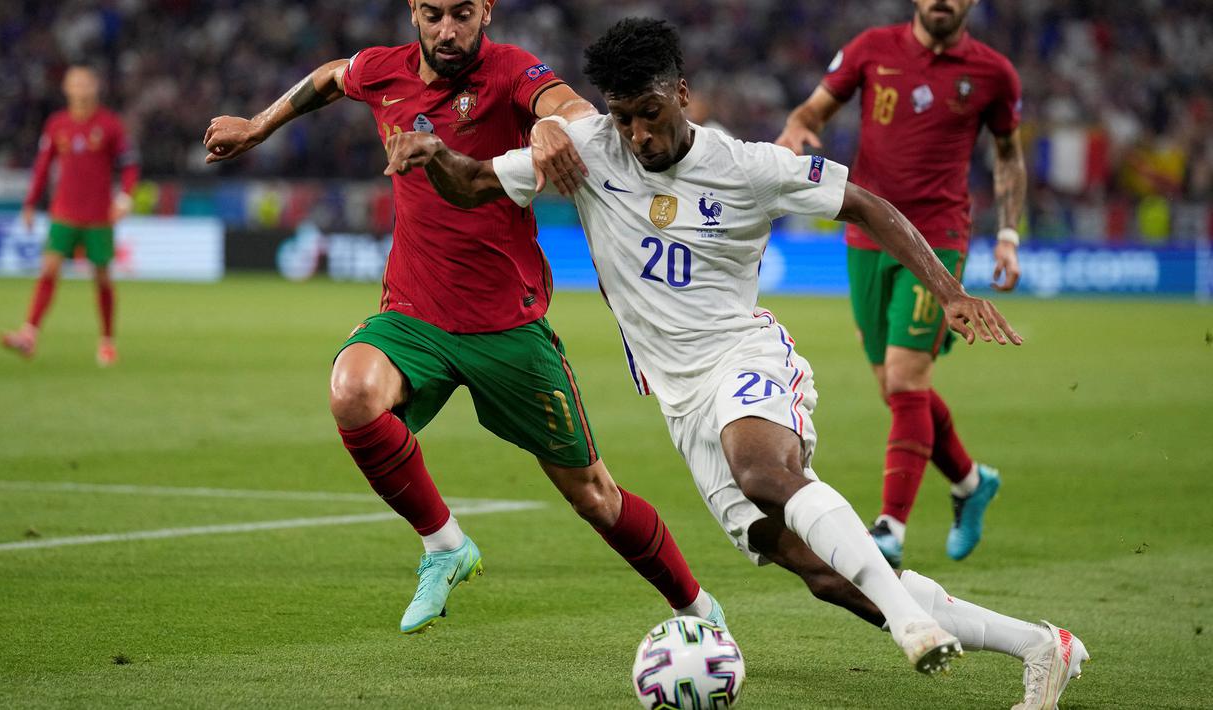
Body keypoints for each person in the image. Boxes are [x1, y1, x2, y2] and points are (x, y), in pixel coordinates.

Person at [388, 17, 1087, 705]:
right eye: (623, 117)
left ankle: (910, 624)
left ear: (682, 95)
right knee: (821, 574)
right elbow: (475, 182)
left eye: (650, 114)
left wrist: (948, 290)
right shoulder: (587, 148)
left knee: (763, 471)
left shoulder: (747, 167)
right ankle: (1039, 646)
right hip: (679, 399)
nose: (637, 135)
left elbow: (867, 205)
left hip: (743, 356)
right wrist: (433, 156)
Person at [202, 0, 723, 635]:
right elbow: (334, 76)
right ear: (413, 14)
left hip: (507, 327)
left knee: (595, 496)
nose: (447, 30)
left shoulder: (511, 71)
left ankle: (697, 608)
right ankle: (445, 546)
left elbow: (571, 107)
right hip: (415, 314)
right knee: (353, 391)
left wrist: (550, 127)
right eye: (433, 14)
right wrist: (258, 127)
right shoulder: (383, 71)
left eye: (462, 15)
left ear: (487, 14)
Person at [774, 0, 1027, 568]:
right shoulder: (870, 50)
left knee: (908, 376)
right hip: (867, 234)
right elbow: (811, 112)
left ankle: (888, 527)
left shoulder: (993, 73)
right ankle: (969, 481)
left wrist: (1008, 233)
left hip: (939, 239)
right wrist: (795, 132)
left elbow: (1009, 156)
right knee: (894, 386)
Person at [1, 65, 139, 366]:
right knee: (49, 269)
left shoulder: (110, 125)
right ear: (66, 89)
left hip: (99, 216)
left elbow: (129, 165)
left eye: (86, 83)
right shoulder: (56, 124)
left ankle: (107, 341)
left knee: (102, 278)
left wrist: (126, 197)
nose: (81, 89)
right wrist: (30, 202)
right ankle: (29, 334)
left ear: (95, 87)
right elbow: (42, 165)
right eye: (75, 84)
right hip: (63, 212)